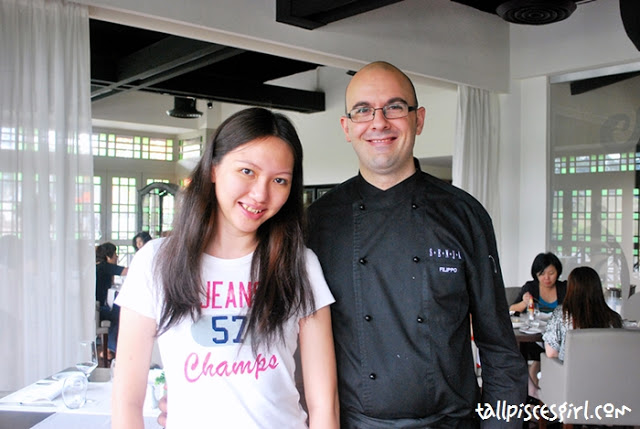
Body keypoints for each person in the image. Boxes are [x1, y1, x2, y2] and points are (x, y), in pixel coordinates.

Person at [305, 61, 526, 427]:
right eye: (363, 110)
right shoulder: (317, 222)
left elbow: (500, 350)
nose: (379, 122)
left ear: (418, 120)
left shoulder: (465, 214)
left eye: (394, 107)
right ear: (347, 127)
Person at [113, 107, 339, 429]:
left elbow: (324, 402)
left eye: (279, 180)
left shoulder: (300, 265)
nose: (261, 194)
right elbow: (126, 401)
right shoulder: (155, 261)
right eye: (247, 171)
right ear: (214, 169)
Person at [509, 252, 566, 393]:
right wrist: (524, 302)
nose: (546, 278)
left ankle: (541, 385)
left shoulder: (564, 288)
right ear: (535, 274)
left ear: (558, 272)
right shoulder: (531, 287)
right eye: (541, 274)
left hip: (557, 337)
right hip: (534, 336)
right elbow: (511, 309)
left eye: (551, 273)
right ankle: (533, 391)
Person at [543, 266, 622, 361]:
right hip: (606, 373)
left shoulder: (561, 315)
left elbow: (551, 353)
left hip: (571, 374)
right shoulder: (614, 318)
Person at [95, 242, 128, 356]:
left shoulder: (98, 266)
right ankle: (111, 347)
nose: (117, 257)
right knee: (119, 311)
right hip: (97, 309)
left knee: (116, 309)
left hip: (96, 307)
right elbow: (127, 271)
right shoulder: (104, 266)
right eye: (115, 254)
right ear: (108, 256)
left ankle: (109, 348)